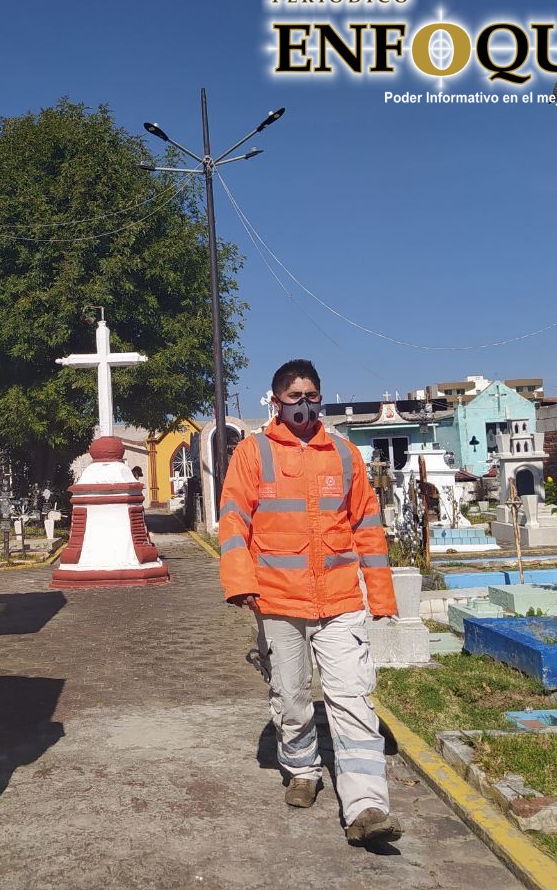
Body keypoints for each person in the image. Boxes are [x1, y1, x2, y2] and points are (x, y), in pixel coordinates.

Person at [217, 359, 403, 846]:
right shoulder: (253, 453)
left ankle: (366, 805)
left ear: (321, 397)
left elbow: (367, 525)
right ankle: (302, 769)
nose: (304, 405)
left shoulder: (343, 453)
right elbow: (234, 517)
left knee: (352, 698)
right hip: (278, 601)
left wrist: (379, 595)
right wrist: (240, 581)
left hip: (341, 601)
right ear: (276, 401)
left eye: (311, 396)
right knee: (293, 698)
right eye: (294, 397)